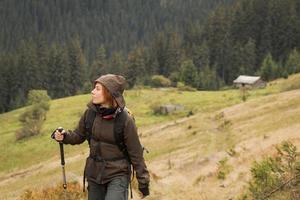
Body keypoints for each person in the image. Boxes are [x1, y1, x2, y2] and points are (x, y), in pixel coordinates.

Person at [53, 74, 150, 200]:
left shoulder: (125, 120)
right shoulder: (90, 114)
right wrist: (64, 136)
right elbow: (78, 136)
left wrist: (143, 183)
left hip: (118, 174)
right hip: (94, 174)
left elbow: (136, 154)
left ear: (109, 93)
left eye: (98, 89)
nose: (92, 91)